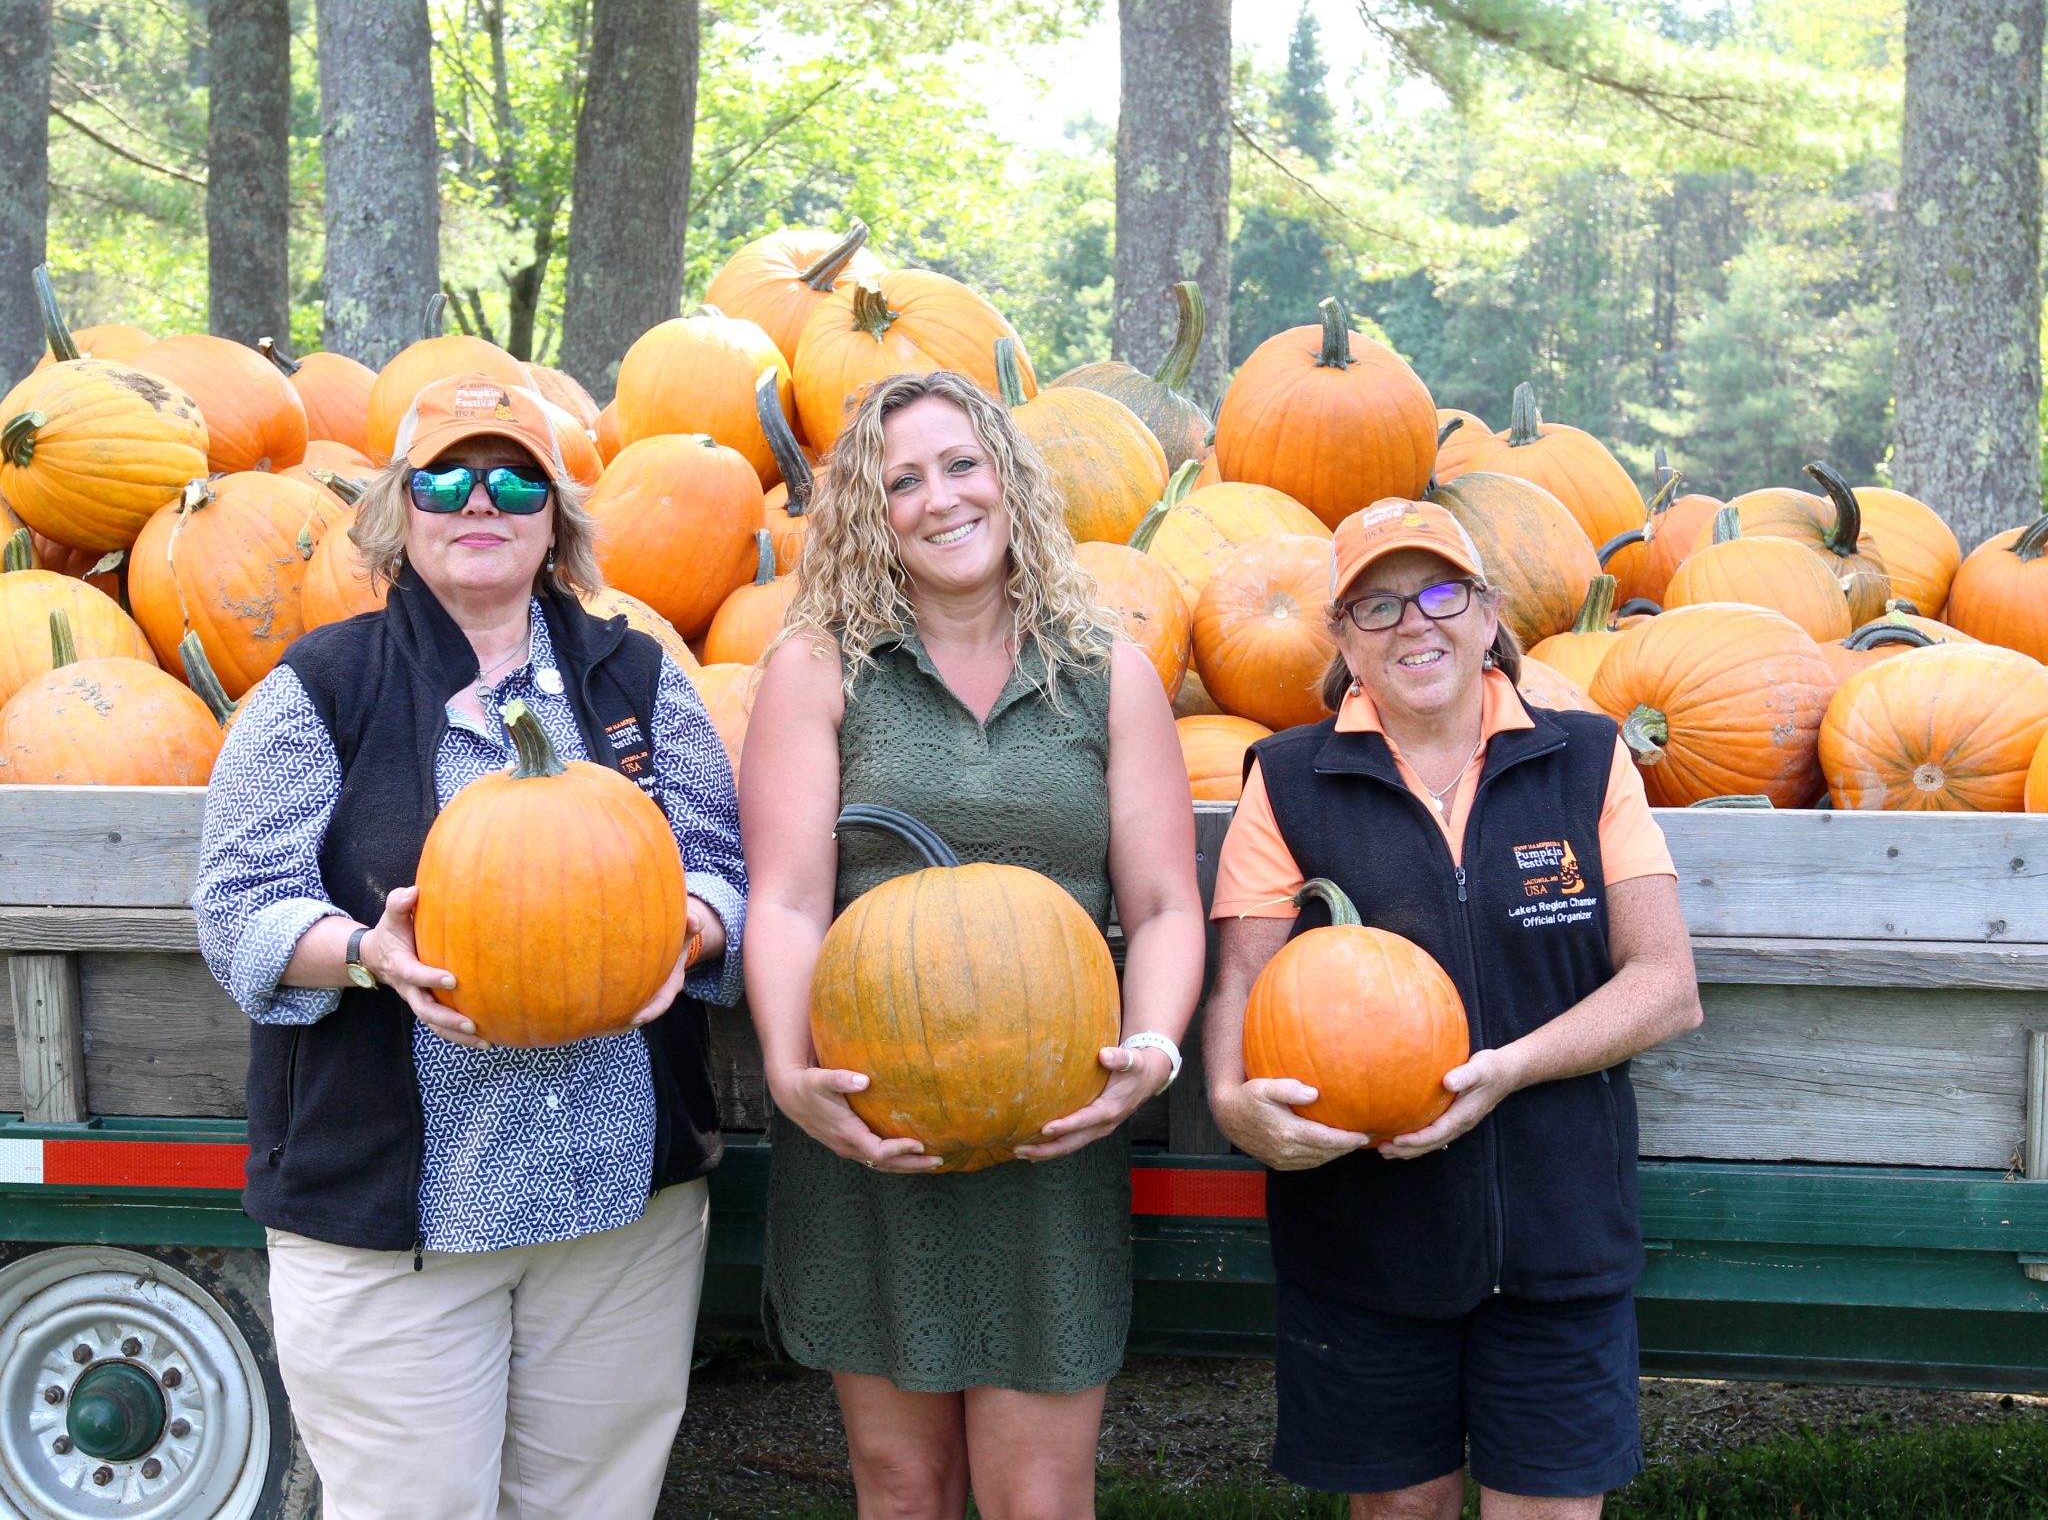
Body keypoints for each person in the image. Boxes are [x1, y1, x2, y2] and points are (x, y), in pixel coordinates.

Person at [192, 373, 747, 1520]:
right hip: (400, 1214)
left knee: (592, 1505)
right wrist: (359, 953)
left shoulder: (635, 678)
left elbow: (720, 865)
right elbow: (238, 903)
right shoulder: (319, 689)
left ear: (556, 516)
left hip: (615, 1209)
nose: (478, 501)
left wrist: (684, 930)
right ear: (400, 509)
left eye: (514, 478)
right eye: (445, 476)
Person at [741, 369, 1206, 1519]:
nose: (939, 498)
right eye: (901, 480)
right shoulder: (818, 670)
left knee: (1037, 1490)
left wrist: (1149, 1046)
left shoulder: (1106, 673)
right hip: (872, 1118)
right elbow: (789, 899)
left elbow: (1161, 907)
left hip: (1054, 1120)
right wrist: (797, 1079)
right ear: (866, 512)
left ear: (1007, 480)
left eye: (961, 465)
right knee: (902, 1485)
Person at [1202, 497, 1702, 1520]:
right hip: (1365, 1240)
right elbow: (1239, 984)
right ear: (1340, 638)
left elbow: (1662, 985)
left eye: (1438, 593)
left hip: (1560, 1231)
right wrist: (1229, 1103)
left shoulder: (1583, 758)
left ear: (1486, 617)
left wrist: (1507, 1067)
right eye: (1375, 607)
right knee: (1397, 1510)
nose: (1413, 624)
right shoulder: (1289, 781)